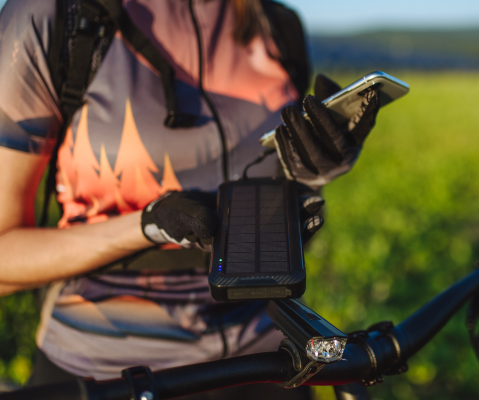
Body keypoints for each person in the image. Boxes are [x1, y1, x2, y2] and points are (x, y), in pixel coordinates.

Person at [0, 0, 379, 398]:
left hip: (268, 360)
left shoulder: (276, 24)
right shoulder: (58, 16)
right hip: (108, 369)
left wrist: (313, 173)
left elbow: (276, 196)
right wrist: (145, 225)